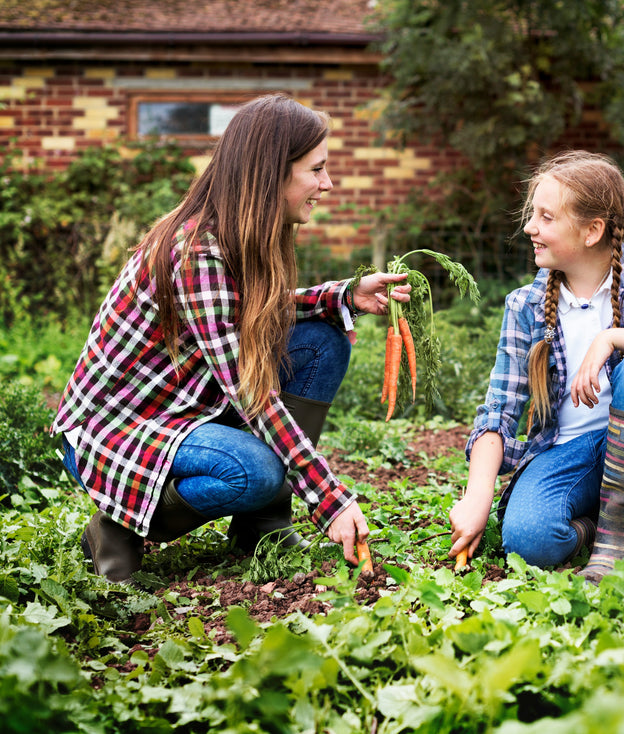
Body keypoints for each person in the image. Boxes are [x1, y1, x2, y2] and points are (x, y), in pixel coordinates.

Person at [53, 93, 410, 584]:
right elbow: (248, 390)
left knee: (321, 341)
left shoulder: (242, 232)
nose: (327, 184)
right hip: (118, 428)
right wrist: (328, 499)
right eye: (317, 170)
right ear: (272, 174)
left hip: (185, 402)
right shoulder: (196, 249)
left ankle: (261, 525)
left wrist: (342, 296)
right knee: (257, 471)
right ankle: (117, 527)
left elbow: (249, 309)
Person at [449, 150, 624, 584]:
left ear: (593, 230)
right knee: (528, 539)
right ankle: (607, 527)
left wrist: (614, 337)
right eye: (532, 214)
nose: (530, 227)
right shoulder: (526, 305)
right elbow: (499, 409)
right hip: (569, 451)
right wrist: (477, 494)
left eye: (546, 217)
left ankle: (621, 542)